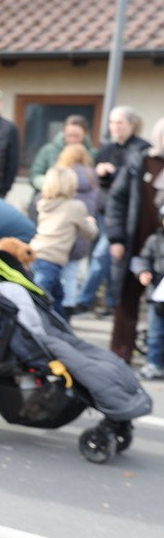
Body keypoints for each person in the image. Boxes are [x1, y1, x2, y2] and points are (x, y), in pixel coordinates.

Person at [73, 106, 151, 317]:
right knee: (104, 258)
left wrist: (116, 173)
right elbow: (96, 179)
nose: (115, 127)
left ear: (132, 124)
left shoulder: (142, 149)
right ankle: (110, 302)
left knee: (103, 256)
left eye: (119, 123)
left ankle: (85, 300)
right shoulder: (106, 148)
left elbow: (134, 184)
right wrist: (99, 172)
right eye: (112, 123)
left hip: (125, 215)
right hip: (102, 208)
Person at [105, 115, 164, 363]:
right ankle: (119, 356)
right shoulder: (140, 161)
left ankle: (156, 359)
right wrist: (116, 238)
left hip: (161, 253)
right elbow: (116, 200)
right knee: (126, 302)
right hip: (134, 245)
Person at [29, 168, 98, 317]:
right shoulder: (75, 206)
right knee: (39, 300)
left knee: (57, 297)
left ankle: (60, 328)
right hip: (51, 259)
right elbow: (89, 233)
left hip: (35, 252)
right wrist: (91, 222)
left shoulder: (44, 202)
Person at [54, 144, 103, 313]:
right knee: (72, 276)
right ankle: (68, 309)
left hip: (59, 239)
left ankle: (54, 310)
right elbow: (97, 205)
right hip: (81, 237)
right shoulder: (92, 177)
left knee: (56, 276)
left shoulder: (61, 176)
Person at [29, 114, 94, 195]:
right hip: (49, 197)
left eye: (76, 136)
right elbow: (35, 176)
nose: (73, 140)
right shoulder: (49, 150)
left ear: (85, 134)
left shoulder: (91, 154)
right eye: (70, 135)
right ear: (64, 133)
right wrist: (54, 185)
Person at [135, 204, 164, 380]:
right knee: (155, 333)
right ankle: (153, 363)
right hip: (157, 294)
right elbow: (144, 259)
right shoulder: (154, 240)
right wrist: (143, 272)